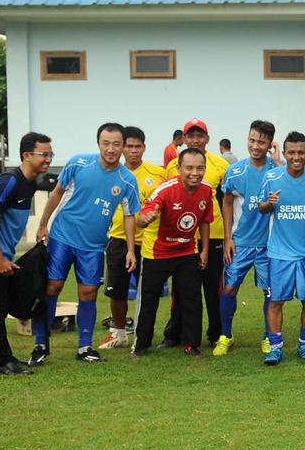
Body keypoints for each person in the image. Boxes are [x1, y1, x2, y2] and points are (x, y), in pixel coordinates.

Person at [31, 122, 140, 365]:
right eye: (106, 143)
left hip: (93, 246)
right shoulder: (78, 163)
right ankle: (40, 344)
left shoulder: (127, 180)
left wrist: (131, 250)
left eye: (116, 144)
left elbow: (130, 216)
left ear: (123, 146)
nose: (110, 149)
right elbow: (57, 193)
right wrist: (43, 224)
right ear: (98, 143)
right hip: (62, 236)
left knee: (88, 292)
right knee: (52, 286)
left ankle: (84, 347)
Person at [0, 132, 53, 375]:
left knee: (3, 303)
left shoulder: (30, 182)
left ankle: (4, 355)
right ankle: (0, 361)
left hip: (0, 254)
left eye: (50, 155)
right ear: (27, 155)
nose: (48, 159)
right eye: (44, 154)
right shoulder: (10, 182)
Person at [131, 148, 212, 357]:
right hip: (157, 252)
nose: (195, 173)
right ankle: (140, 345)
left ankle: (191, 344)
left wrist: (204, 250)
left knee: (192, 298)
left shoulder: (206, 190)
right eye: (189, 168)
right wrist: (145, 219)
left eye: (200, 168)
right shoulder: (165, 190)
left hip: (187, 251)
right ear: (178, 168)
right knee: (148, 299)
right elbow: (141, 219)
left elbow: (205, 221)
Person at [161, 118, 229, 347]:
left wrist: (229, 235)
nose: (196, 140)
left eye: (200, 136)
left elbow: (227, 201)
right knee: (181, 289)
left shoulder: (220, 165)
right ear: (184, 138)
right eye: (191, 136)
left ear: (207, 138)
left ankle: (216, 334)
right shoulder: (173, 165)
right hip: (183, 236)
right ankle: (174, 334)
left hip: (214, 234)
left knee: (213, 288)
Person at [213, 120, 278, 356]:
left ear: (270, 144)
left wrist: (279, 162)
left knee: (270, 292)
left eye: (261, 142)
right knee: (229, 289)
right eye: (252, 140)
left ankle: (268, 336)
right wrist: (227, 238)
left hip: (269, 244)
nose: (255, 146)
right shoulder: (235, 171)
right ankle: (225, 335)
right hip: (240, 243)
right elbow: (227, 202)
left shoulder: (277, 170)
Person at [98, 126, 166, 350]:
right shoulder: (111, 173)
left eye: (138, 146)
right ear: (122, 148)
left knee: (148, 292)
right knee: (117, 290)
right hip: (118, 239)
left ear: (144, 148)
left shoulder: (157, 174)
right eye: (129, 146)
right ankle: (119, 333)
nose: (133, 151)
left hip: (148, 241)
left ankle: (143, 334)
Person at [258, 132, 305, 365]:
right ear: (284, 154)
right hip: (279, 253)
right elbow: (261, 208)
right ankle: (275, 348)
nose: (297, 157)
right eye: (292, 152)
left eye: (301, 153)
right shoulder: (271, 177)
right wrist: (269, 203)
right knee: (276, 301)